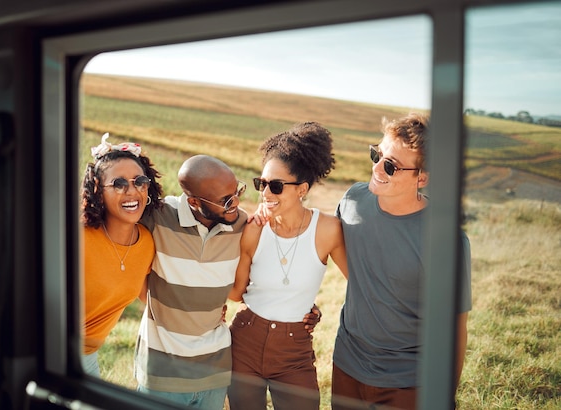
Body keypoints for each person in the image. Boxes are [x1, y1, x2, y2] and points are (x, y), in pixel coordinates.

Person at [133, 154, 321, 409]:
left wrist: (304, 307)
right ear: (194, 202)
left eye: (237, 191)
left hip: (214, 373)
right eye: (226, 200)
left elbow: (274, 270)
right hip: (161, 376)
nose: (237, 203)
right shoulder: (159, 216)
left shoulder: (243, 225)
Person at [331, 113, 472, 410]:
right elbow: (329, 245)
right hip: (346, 363)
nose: (377, 168)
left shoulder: (446, 241)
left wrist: (446, 394)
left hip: (408, 381)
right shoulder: (352, 200)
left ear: (422, 178)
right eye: (377, 154)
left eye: (391, 165)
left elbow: (456, 328)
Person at [227, 122, 348, 410]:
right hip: (245, 340)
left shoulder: (328, 230)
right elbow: (235, 293)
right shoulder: (254, 230)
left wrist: (310, 308)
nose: (266, 194)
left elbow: (360, 280)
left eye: (277, 186)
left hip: (294, 351)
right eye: (262, 184)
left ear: (302, 189)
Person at [80, 133, 163, 377]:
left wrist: (207, 311)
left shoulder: (146, 242)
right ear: (98, 191)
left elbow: (153, 298)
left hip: (87, 357)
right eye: (118, 184)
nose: (131, 190)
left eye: (140, 181)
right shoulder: (79, 238)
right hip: (48, 351)